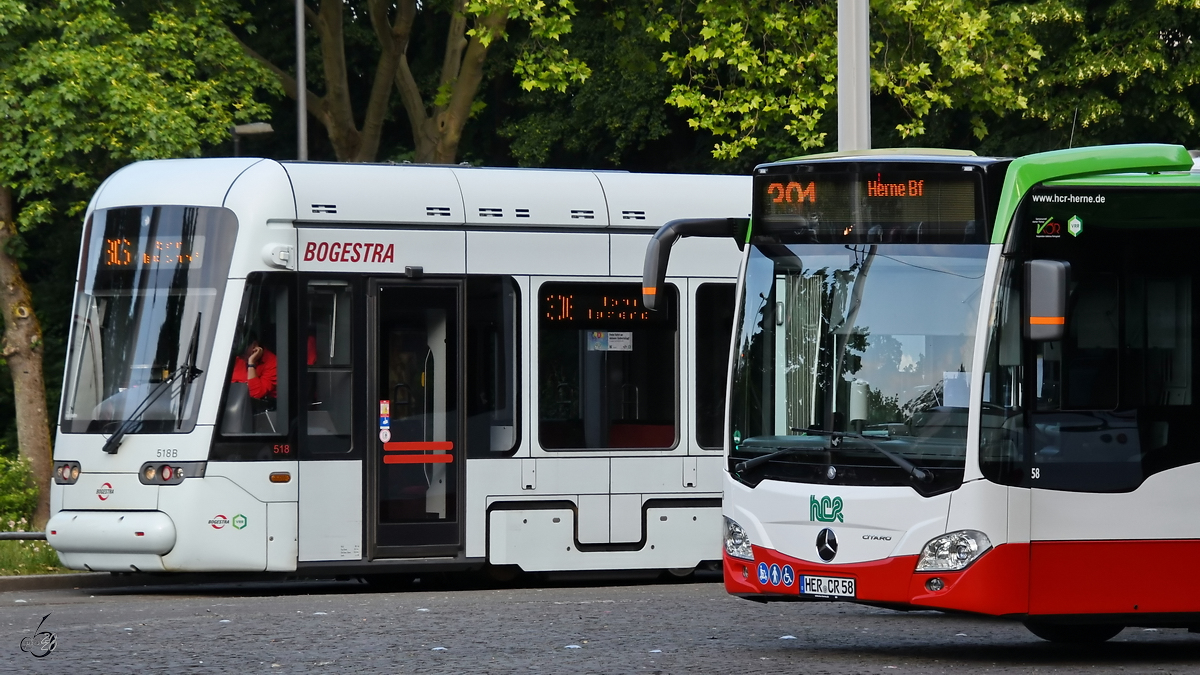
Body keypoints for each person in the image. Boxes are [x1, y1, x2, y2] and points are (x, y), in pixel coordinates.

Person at [231, 336, 277, 400]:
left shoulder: (273, 363)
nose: (241, 357)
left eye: (243, 352)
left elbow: (256, 394)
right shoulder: (238, 359)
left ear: (255, 345)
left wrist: (251, 363)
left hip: (263, 405)